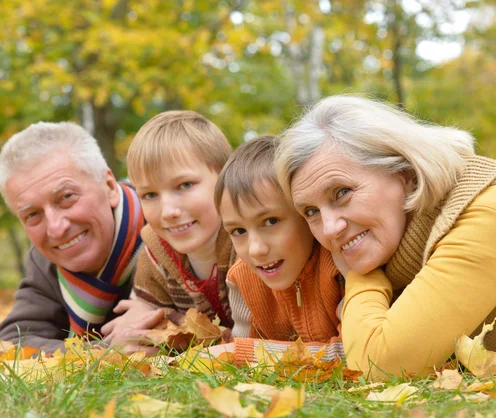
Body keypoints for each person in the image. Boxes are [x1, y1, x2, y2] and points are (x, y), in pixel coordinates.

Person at [275, 95, 496, 377]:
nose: (329, 229)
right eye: (310, 211)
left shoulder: (486, 212)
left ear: (404, 173)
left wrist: (359, 276)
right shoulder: (396, 246)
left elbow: (380, 367)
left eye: (342, 192)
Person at [0, 122, 154, 353]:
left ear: (108, 186)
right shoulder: (45, 263)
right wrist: (105, 351)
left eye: (67, 197)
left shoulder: (170, 224)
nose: (56, 229)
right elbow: (10, 342)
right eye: (33, 214)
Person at [101, 110, 235, 348]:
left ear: (225, 178)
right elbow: (143, 316)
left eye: (184, 185)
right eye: (150, 194)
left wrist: (170, 326)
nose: (167, 211)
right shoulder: (156, 252)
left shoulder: (246, 242)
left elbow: (260, 334)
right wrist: (141, 325)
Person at [214, 135, 344, 359]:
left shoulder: (339, 263)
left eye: (271, 222)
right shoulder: (242, 278)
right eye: (238, 231)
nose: (255, 249)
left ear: (306, 213)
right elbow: (244, 355)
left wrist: (247, 352)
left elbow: (356, 352)